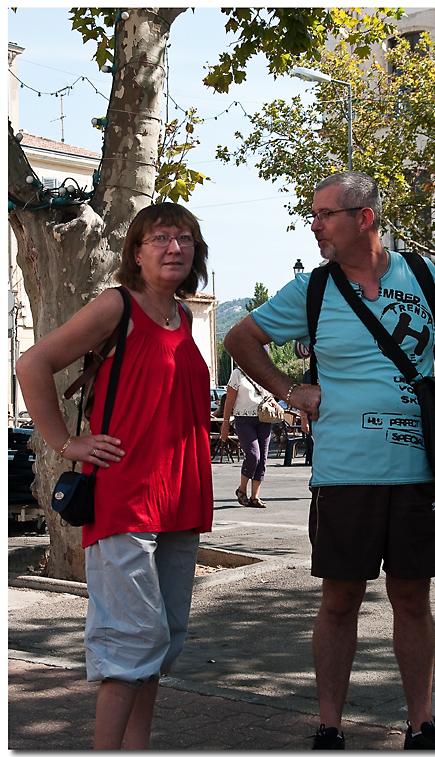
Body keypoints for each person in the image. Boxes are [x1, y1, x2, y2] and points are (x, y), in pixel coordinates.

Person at [224, 170, 435, 750]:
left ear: (363, 218)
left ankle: (423, 723)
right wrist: (290, 392)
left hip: (417, 469)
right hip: (344, 473)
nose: (314, 226)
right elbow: (240, 340)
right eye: (314, 216)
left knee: (413, 600)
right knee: (340, 600)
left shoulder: (420, 275)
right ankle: (329, 725)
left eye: (324, 215)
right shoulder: (313, 289)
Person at [16, 203, 214, 749]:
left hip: (179, 497)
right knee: (130, 640)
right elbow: (32, 363)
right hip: (126, 497)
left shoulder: (184, 316)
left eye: (185, 238)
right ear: (136, 251)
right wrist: (64, 442)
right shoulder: (116, 306)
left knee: (161, 641)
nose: (174, 247)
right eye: (160, 238)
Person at [220, 365, 280, 507]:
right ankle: (242, 489)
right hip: (243, 419)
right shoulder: (237, 373)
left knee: (263, 458)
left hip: (264, 419)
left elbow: (269, 396)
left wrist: (275, 403)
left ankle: (255, 496)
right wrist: (226, 423)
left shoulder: (264, 371)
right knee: (254, 455)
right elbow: (229, 400)